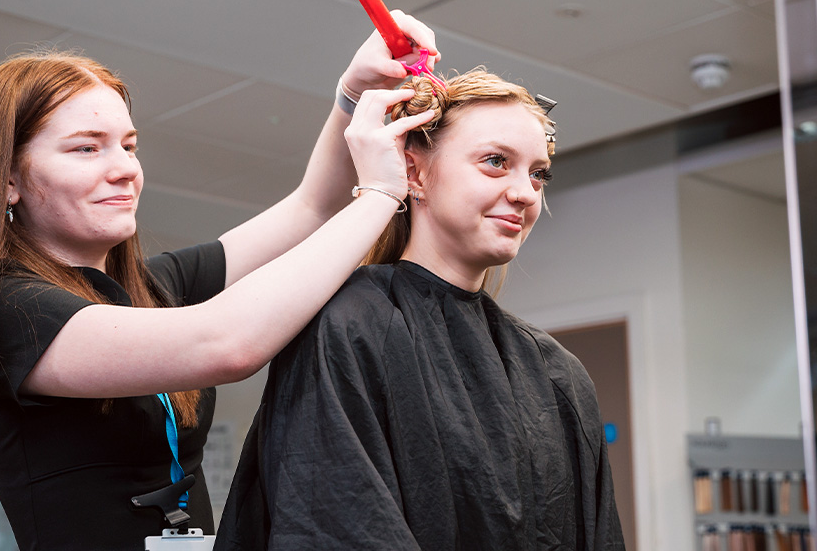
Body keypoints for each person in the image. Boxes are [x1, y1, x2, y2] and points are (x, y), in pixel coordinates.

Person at [0, 12, 441, 550]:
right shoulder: (13, 312)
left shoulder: (156, 290)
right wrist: (380, 195)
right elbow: (229, 344)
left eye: (128, 146)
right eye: (87, 148)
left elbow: (313, 206)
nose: (124, 169)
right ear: (9, 180)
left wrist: (355, 90)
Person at [215, 68, 626, 550]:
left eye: (539, 173)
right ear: (414, 173)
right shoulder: (347, 326)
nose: (525, 193)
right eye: (496, 162)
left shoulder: (558, 373)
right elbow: (334, 521)